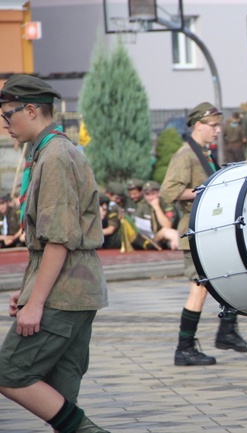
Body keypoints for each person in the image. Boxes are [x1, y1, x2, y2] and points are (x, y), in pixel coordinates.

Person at [0, 74, 109, 432]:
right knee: (61, 389)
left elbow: (59, 239)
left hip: (64, 291)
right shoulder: (50, 152)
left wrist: (36, 303)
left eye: (8, 115)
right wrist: (28, 290)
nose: (5, 125)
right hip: (72, 289)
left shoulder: (56, 157)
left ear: (30, 110)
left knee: (10, 372)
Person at [161, 102, 247, 367]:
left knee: (228, 278)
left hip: (206, 233)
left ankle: (226, 331)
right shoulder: (186, 154)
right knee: (199, 290)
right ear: (198, 125)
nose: (218, 130)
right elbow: (168, 191)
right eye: (213, 126)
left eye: (218, 125)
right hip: (194, 232)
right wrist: (203, 192)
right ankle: (184, 348)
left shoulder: (202, 153)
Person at [134, 180, 179, 250]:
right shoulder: (143, 205)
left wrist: (157, 207)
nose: (150, 197)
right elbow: (136, 223)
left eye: (153, 194)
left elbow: (167, 226)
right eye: (147, 194)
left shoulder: (166, 204)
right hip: (149, 238)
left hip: (165, 237)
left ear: (159, 193)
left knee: (168, 233)